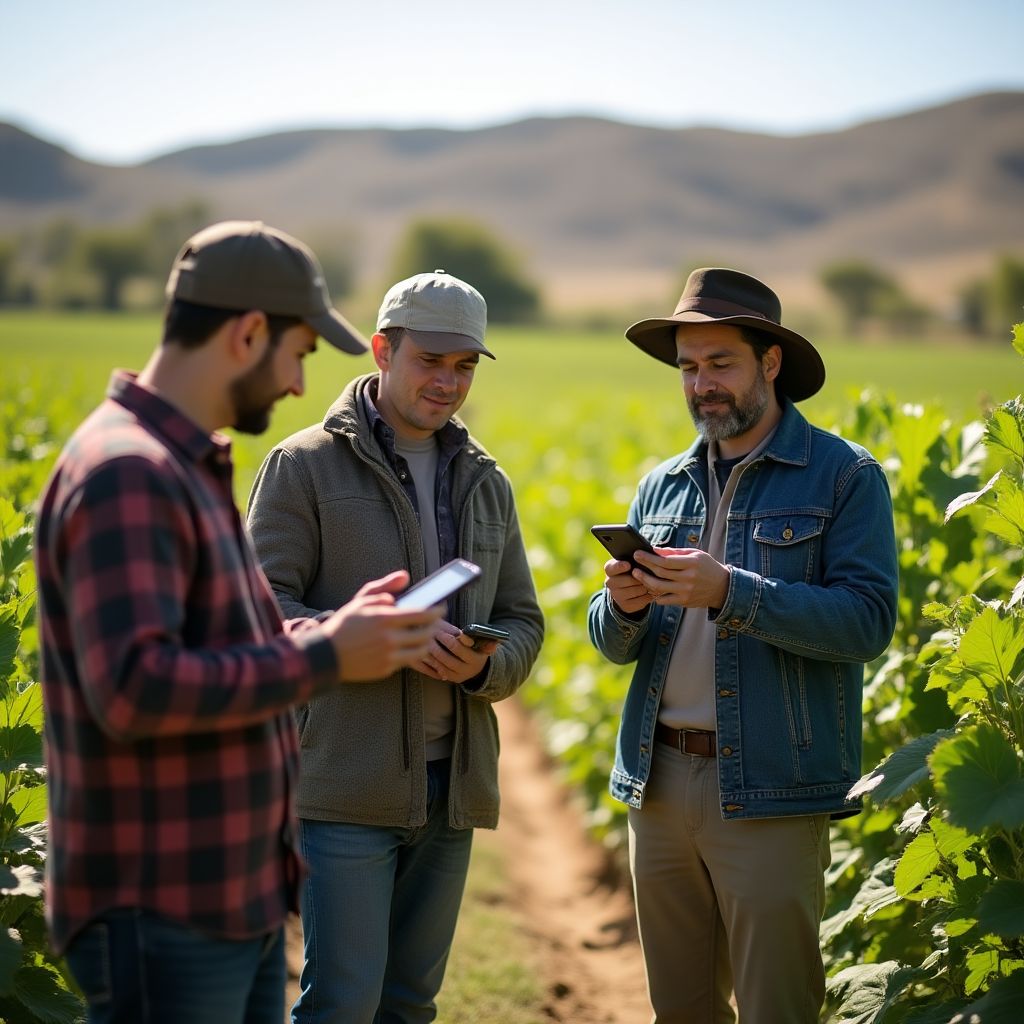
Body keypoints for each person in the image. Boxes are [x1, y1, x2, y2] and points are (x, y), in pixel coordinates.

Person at [34, 221, 445, 1024]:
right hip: (162, 903)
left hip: (223, 895)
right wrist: (326, 656)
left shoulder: (181, 463)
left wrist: (336, 631)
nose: (297, 384)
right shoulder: (129, 473)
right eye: (298, 353)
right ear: (248, 333)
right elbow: (135, 688)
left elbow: (222, 647)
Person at [588, 268, 899, 1024]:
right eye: (689, 368)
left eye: (720, 363)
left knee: (775, 1009)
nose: (702, 385)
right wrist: (621, 606)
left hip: (771, 786)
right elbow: (614, 643)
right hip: (658, 782)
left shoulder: (843, 476)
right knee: (682, 1010)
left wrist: (731, 592)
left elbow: (867, 622)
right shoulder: (662, 485)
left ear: (771, 362)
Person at [246, 269, 544, 1023]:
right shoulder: (302, 466)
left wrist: (484, 667)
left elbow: (522, 619)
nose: (448, 382)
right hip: (341, 783)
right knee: (342, 1005)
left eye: (465, 365)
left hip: (453, 790)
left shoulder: (487, 481)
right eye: (430, 360)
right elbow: (257, 614)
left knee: (411, 1005)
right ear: (383, 350)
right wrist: (357, 638)